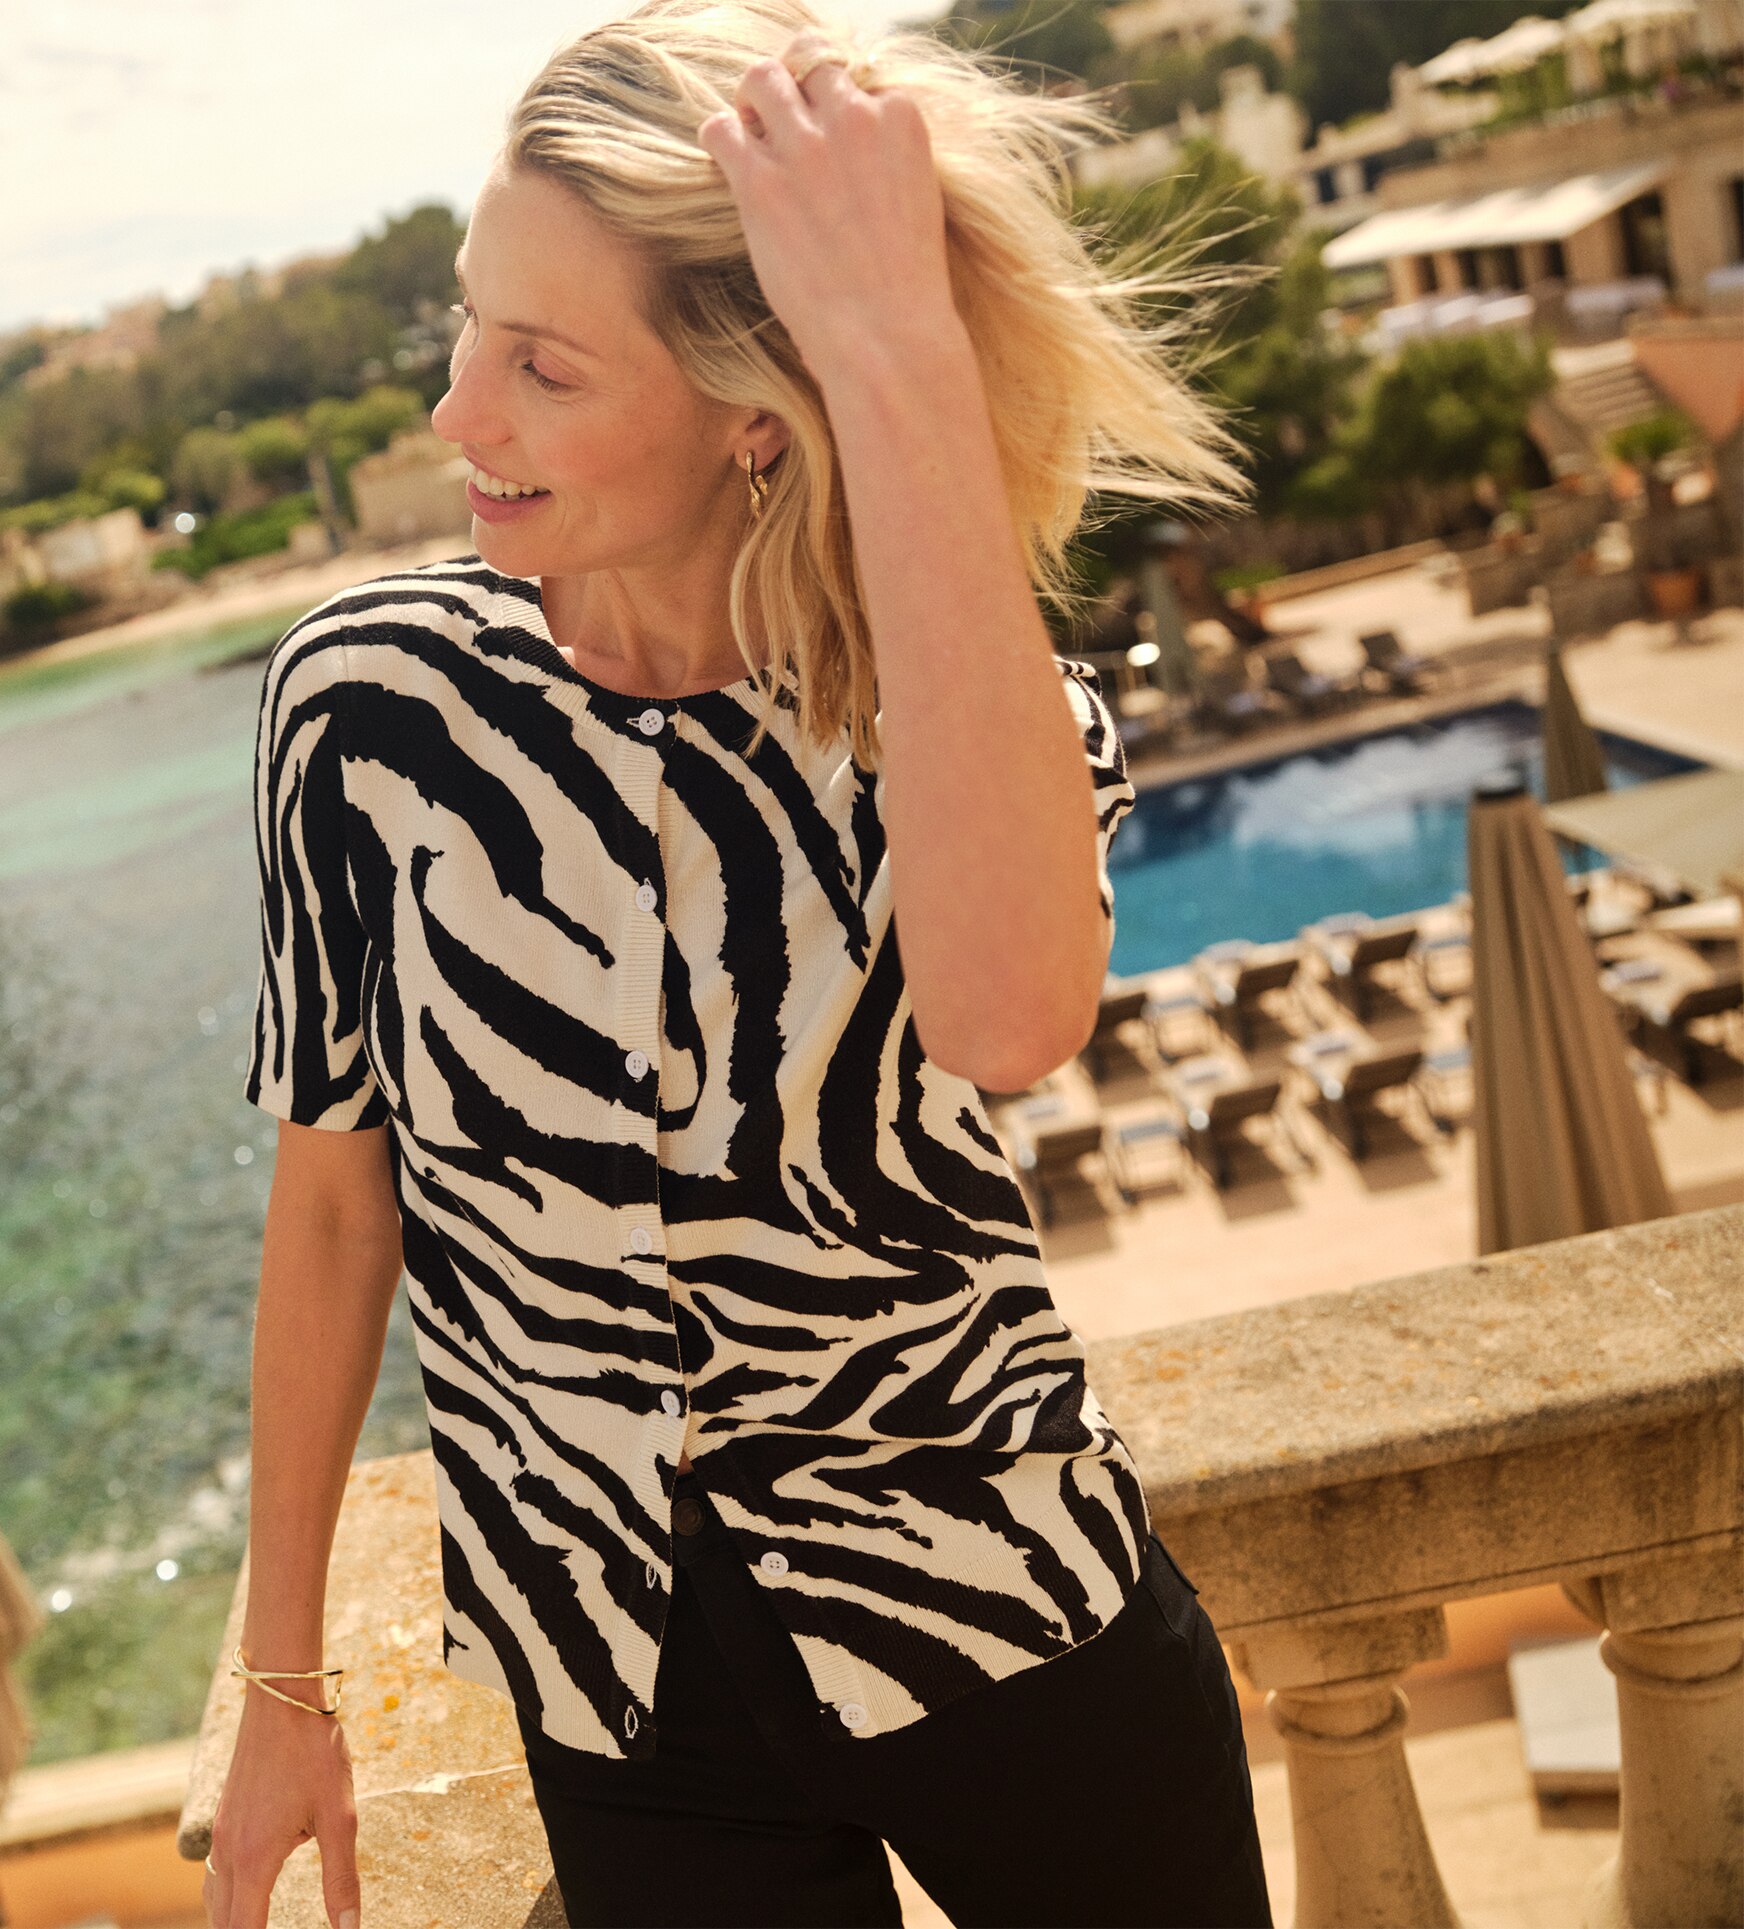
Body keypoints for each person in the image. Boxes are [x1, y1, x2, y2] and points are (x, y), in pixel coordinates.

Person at [205, 4, 1270, 1925]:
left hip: (1001, 1601)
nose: (460, 414)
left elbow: (1014, 1015)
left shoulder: (967, 712)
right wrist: (280, 1685)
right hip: (617, 1688)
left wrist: (898, 355)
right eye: (467, 326)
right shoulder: (364, 710)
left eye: (541, 364)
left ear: (750, 409)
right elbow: (335, 1212)